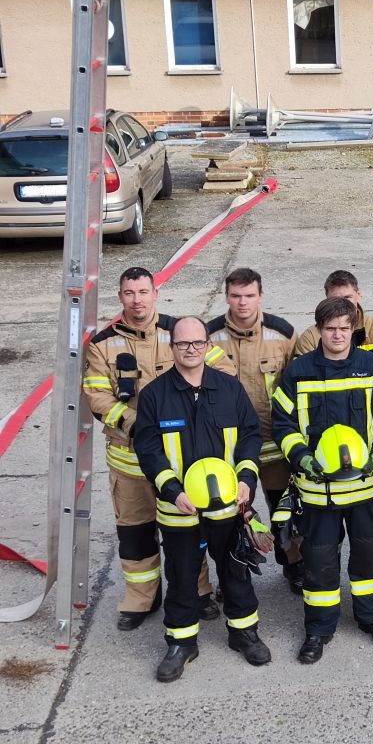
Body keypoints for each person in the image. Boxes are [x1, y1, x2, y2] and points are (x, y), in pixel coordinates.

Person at [83, 267, 225, 631]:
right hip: (129, 462)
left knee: (189, 531)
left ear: (155, 293)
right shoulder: (102, 344)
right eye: (129, 293)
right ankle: (141, 599)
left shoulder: (179, 332)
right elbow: (97, 398)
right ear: (120, 297)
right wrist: (139, 423)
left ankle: (198, 591)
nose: (137, 300)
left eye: (143, 292)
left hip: (180, 462)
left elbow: (222, 372)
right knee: (136, 533)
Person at [272, 297, 373, 664]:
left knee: (369, 560)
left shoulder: (372, 368)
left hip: (365, 490)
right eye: (330, 328)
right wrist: (301, 457)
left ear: (353, 329)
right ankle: (318, 628)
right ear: (319, 330)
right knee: (319, 563)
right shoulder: (298, 372)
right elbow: (282, 423)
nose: (337, 335)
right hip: (317, 493)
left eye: (344, 328)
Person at [134, 316, 270, 682]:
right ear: (171, 347)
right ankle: (181, 643)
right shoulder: (154, 396)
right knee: (181, 577)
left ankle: (244, 633)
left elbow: (250, 436)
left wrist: (246, 478)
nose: (190, 350)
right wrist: (172, 491)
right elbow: (148, 450)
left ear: (209, 345)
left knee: (235, 571)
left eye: (197, 343)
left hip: (227, 507)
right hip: (179, 512)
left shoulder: (229, 389)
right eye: (182, 344)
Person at [295, 270, 373, 597]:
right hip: (323, 464)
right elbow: (302, 398)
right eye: (336, 303)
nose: (343, 309)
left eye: (348, 300)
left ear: (359, 295)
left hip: (371, 452)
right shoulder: (306, 343)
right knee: (323, 544)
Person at [207, 268, 300, 591]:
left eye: (248, 296)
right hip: (229, 447)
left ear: (260, 296)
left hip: (274, 442)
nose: (242, 303)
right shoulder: (209, 335)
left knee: (285, 508)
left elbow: (297, 386)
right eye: (235, 296)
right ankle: (233, 573)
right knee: (231, 514)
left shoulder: (283, 333)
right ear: (226, 297)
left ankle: (293, 565)